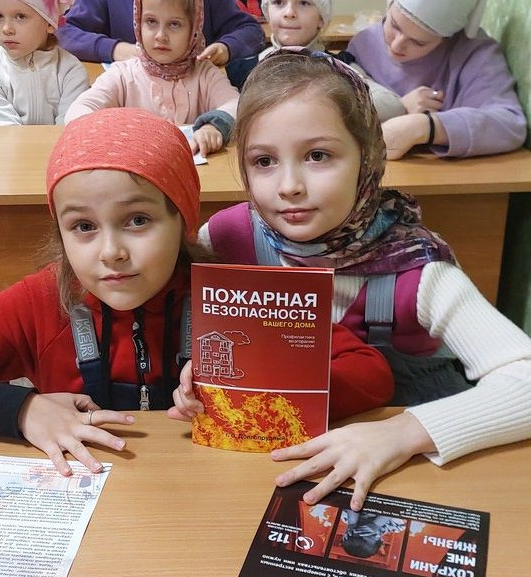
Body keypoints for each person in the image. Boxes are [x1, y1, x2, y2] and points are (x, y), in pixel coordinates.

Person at [169, 50, 531, 511]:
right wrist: (196, 376)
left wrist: (400, 433)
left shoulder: (416, 267)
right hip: (267, 468)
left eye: (318, 155)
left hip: (403, 472)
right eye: (263, 161)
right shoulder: (227, 238)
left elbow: (525, 380)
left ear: (367, 155)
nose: (289, 185)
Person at [0, 106, 203, 476]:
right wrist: (21, 409)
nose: (110, 252)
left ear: (184, 220)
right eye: (84, 226)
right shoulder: (40, 300)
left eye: (137, 220)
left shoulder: (233, 299)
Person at [347, 0, 527, 159]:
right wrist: (400, 107)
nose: (396, 45)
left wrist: (426, 127)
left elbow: (510, 124)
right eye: (394, 25)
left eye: (418, 42)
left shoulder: (476, 56)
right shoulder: (364, 44)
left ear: (447, 38)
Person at [65, 0, 239, 158]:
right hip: (135, 176)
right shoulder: (122, 75)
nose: (161, 36)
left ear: (194, 29)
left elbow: (237, 106)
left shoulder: (205, 74)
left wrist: (214, 127)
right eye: (151, 21)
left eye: (174, 24)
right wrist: (112, 134)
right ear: (138, 22)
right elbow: (79, 110)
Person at [55, 0, 265, 89]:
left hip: (196, 95)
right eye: (150, 21)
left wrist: (226, 48)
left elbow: (252, 31)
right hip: (132, 94)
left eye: (174, 24)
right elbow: (65, 33)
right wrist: (115, 49)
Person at [259, 0, 405, 121]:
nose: (289, 12)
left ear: (321, 19)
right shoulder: (255, 65)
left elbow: (392, 106)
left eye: (304, 3)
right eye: (278, 2)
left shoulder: (340, 66)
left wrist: (329, 102)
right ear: (267, 12)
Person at [0, 0, 88, 125]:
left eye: (20, 17)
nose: (6, 29)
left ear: (49, 23)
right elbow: (6, 133)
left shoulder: (71, 71)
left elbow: (69, 129)